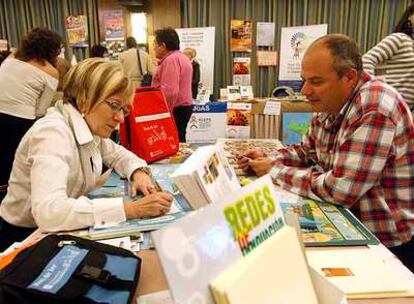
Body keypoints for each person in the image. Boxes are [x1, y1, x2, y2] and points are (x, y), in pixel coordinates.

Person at [238, 34, 414, 272]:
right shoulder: (332, 102)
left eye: (316, 81)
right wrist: (269, 158)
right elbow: (306, 151)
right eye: (304, 80)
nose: (305, 90)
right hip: (351, 225)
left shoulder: (375, 107)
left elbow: (340, 190)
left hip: (384, 244)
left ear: (349, 77)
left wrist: (273, 170)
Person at [0, 58, 173, 251]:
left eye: (124, 109)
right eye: (114, 105)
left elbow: (118, 155)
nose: (120, 118)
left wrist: (139, 173)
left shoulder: (89, 128)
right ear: (84, 100)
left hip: (57, 229)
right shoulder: (52, 134)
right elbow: (49, 212)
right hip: (25, 238)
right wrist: (130, 210)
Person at [0, 28, 61, 202]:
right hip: (21, 121)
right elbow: (40, 111)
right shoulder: (51, 72)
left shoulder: (11, 58)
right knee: (17, 165)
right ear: (51, 50)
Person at [363, 3, 414, 110]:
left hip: (402, 116)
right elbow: (366, 60)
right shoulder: (400, 39)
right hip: (383, 108)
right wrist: (374, 95)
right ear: (410, 16)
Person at [152, 27, 193, 142]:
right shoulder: (181, 57)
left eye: (155, 44)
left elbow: (170, 91)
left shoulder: (171, 60)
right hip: (182, 107)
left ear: (163, 45)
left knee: (174, 141)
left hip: (175, 109)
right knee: (179, 139)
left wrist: (165, 114)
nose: (154, 48)